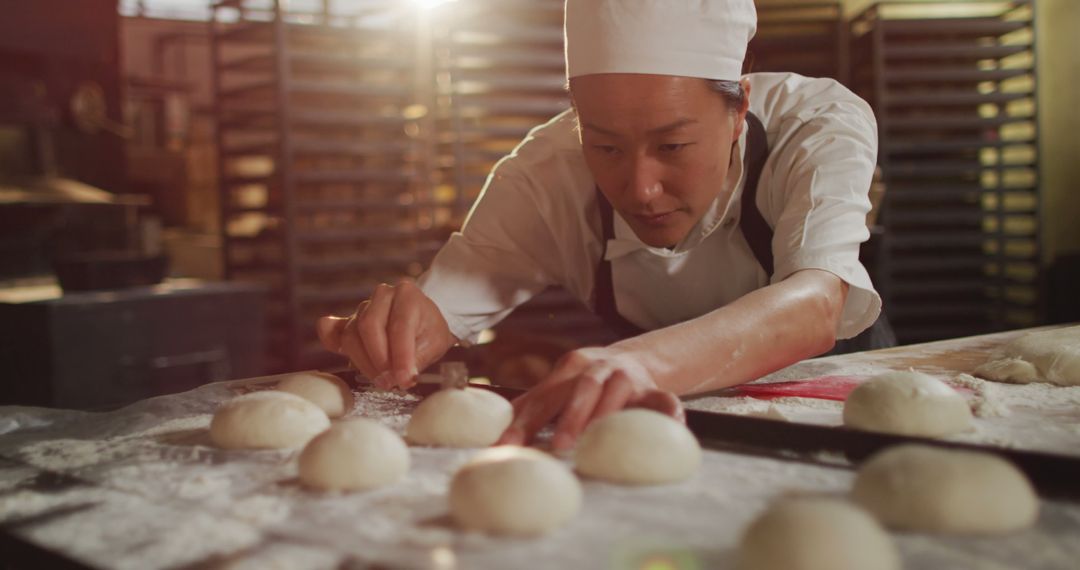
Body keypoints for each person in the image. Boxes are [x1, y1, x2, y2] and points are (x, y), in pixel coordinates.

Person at [317, 0, 887, 452]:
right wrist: (401, 333)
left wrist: (639, 361)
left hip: (835, 409)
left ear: (738, 109)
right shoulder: (543, 174)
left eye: (673, 145)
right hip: (668, 423)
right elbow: (447, 303)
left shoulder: (817, 123)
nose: (640, 188)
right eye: (605, 145)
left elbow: (817, 303)